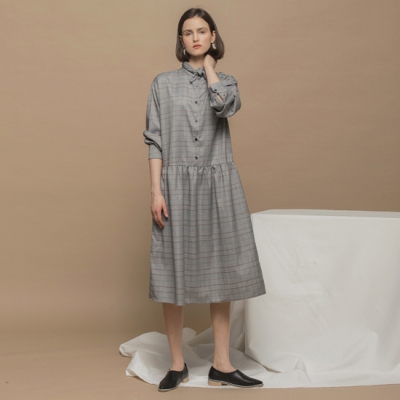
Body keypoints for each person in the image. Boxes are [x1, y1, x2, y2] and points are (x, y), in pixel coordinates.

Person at [143, 7, 266, 392]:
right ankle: (176, 364)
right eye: (188, 32)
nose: (195, 37)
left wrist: (211, 68)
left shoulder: (225, 82)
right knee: (172, 270)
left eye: (202, 31)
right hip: (175, 185)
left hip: (218, 182)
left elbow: (225, 106)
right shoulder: (162, 83)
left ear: (213, 36)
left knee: (223, 270)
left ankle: (222, 365)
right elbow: (154, 139)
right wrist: (156, 190)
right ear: (180, 40)